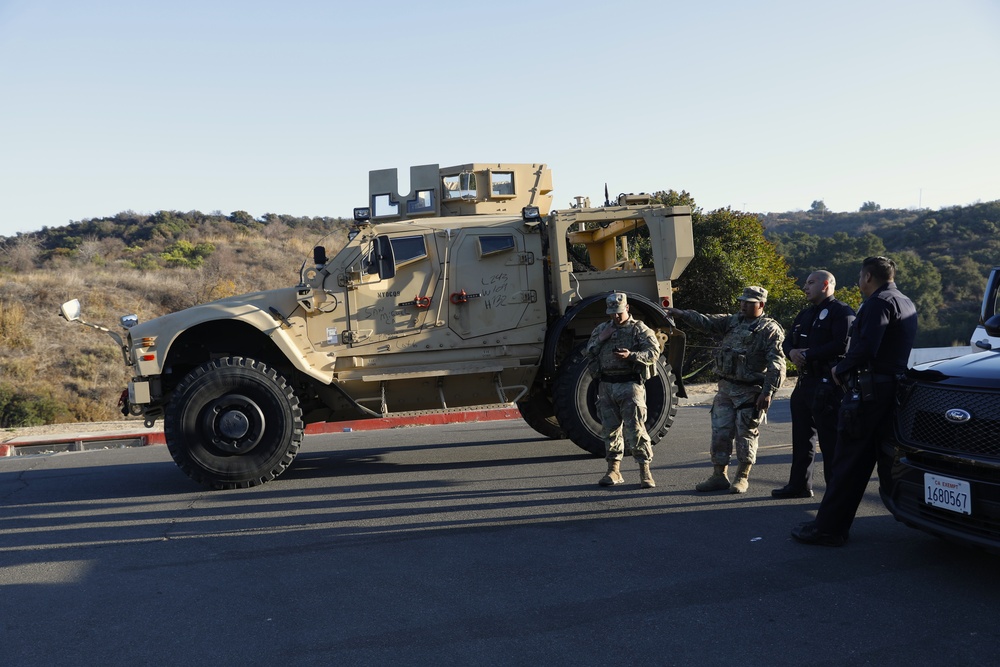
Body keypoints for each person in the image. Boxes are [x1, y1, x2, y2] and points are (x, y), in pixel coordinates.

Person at [792, 256, 917, 546]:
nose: (859, 282)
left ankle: (828, 529)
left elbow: (865, 347)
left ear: (868, 277)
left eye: (861, 277)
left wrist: (841, 368)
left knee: (848, 462)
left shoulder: (878, 303)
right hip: (892, 391)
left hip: (869, 393)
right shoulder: (904, 301)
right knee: (882, 460)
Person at [666, 286, 785, 494]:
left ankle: (742, 476)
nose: (744, 305)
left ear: (761, 305)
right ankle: (719, 475)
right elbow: (707, 321)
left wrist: (768, 392)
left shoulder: (769, 329)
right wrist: (682, 314)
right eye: (742, 301)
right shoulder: (733, 321)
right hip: (726, 389)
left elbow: (777, 363)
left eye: (749, 302)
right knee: (720, 433)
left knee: (745, 434)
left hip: (749, 392)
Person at [773, 271, 855, 499]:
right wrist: (791, 352)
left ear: (826, 284)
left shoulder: (842, 312)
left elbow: (842, 345)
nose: (805, 287)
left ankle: (834, 492)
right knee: (801, 438)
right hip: (804, 383)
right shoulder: (805, 314)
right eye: (806, 283)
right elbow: (788, 340)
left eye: (810, 283)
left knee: (830, 442)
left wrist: (808, 354)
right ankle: (799, 485)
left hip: (828, 384)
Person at [586, 292, 661, 489]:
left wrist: (631, 356)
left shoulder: (639, 329)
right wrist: (602, 338)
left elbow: (654, 352)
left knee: (635, 429)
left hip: (630, 385)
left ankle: (645, 471)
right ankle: (613, 470)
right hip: (607, 385)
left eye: (619, 312)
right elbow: (589, 352)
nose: (616, 317)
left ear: (627, 308)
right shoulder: (602, 329)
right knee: (610, 430)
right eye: (612, 313)